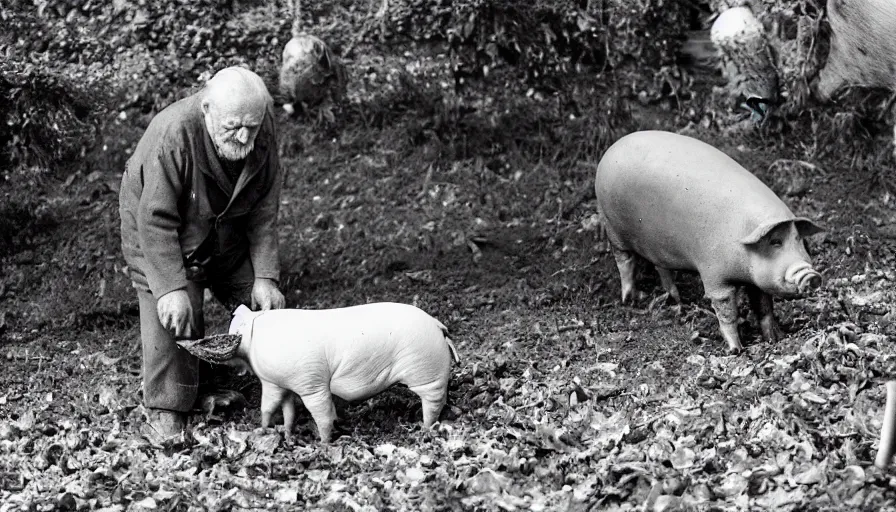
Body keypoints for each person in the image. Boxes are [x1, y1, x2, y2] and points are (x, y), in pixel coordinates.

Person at [118, 66, 286, 440]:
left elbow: (263, 211)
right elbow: (155, 220)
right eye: (232, 127)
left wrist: (265, 277)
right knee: (178, 318)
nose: (244, 136)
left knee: (268, 309)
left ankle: (268, 382)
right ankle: (166, 406)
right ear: (207, 109)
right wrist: (170, 289)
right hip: (159, 235)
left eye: (252, 126)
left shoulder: (258, 123)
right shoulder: (171, 134)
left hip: (225, 232)